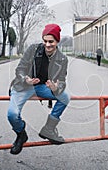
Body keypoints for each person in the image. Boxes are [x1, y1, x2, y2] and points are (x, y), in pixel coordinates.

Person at [7, 23, 70, 155]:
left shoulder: (62, 59)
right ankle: (21, 135)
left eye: (51, 42)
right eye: (45, 41)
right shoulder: (33, 49)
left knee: (65, 97)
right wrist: (26, 79)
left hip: (42, 87)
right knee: (12, 114)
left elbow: (62, 81)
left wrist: (56, 87)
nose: (48, 45)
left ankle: (49, 129)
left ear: (57, 41)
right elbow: (20, 69)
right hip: (23, 86)